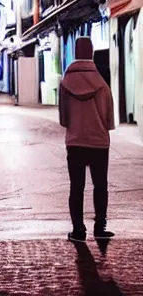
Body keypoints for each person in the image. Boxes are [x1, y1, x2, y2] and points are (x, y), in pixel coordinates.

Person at [58, 36, 115, 242]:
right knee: (100, 185)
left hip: (75, 141)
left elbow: (64, 119)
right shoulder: (102, 83)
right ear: (90, 52)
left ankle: (78, 230)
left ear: (75, 52)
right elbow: (109, 119)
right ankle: (100, 227)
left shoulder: (66, 82)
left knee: (77, 187)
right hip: (99, 141)